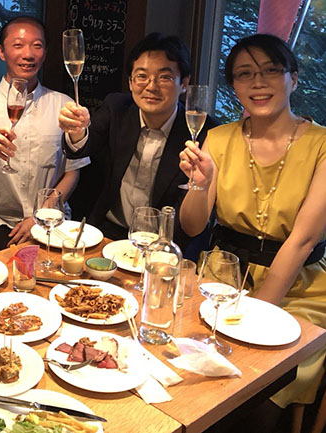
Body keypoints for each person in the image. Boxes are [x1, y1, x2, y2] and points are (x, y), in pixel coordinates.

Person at [179, 34, 326, 429]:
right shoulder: (218, 138)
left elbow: (303, 240)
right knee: (187, 365)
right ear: (234, 86)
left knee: (263, 382)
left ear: (293, 78)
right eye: (245, 74)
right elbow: (193, 225)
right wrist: (198, 185)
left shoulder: (321, 144)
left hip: (298, 286)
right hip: (222, 276)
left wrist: (255, 313)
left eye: (270, 71)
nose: (258, 82)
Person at [64, 32, 218, 248]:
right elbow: (85, 145)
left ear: (184, 83)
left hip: (164, 243)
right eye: (142, 76)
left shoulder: (201, 131)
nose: (151, 86)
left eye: (164, 77)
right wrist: (76, 131)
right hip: (109, 232)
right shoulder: (117, 107)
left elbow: (193, 221)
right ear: (130, 82)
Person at [0, 16, 91, 254]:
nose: (28, 54)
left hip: (50, 221)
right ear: (1, 52)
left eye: (37, 46)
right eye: (18, 45)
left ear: (45, 52)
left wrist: (42, 215)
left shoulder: (63, 105)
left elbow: (73, 170)